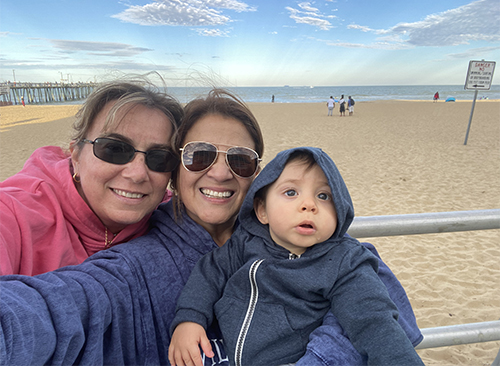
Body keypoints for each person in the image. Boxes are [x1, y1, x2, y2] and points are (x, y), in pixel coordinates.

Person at [0, 89, 421, 366]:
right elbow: (73, 302)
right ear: (176, 169)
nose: (219, 173)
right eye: (199, 155)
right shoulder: (141, 257)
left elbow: (380, 306)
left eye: (239, 159)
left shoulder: (293, 234)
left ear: (259, 177)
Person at [169, 147, 424, 366]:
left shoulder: (344, 263)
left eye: (324, 196)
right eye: (291, 192)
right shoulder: (244, 244)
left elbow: (374, 321)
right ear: (262, 210)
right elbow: (209, 273)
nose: (309, 205)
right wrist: (190, 318)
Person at [0, 80, 183, 275]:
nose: (138, 174)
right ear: (76, 156)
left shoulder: (170, 219)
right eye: (114, 149)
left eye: (160, 158)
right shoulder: (16, 212)